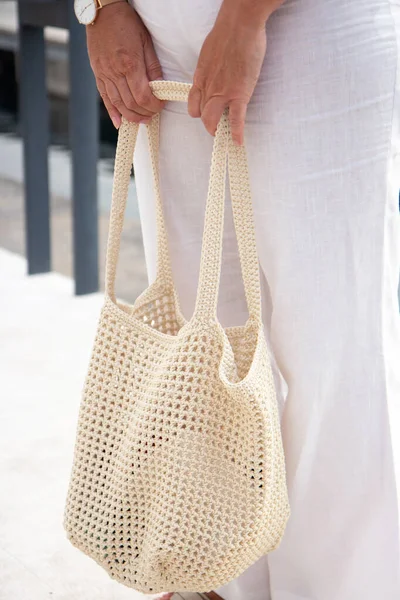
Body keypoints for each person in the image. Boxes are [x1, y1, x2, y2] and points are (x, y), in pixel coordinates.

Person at [85, 0, 400, 598]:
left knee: (335, 355)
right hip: (154, 35)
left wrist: (244, 17)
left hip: (306, 26)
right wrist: (99, 8)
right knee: (202, 350)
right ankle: (218, 578)